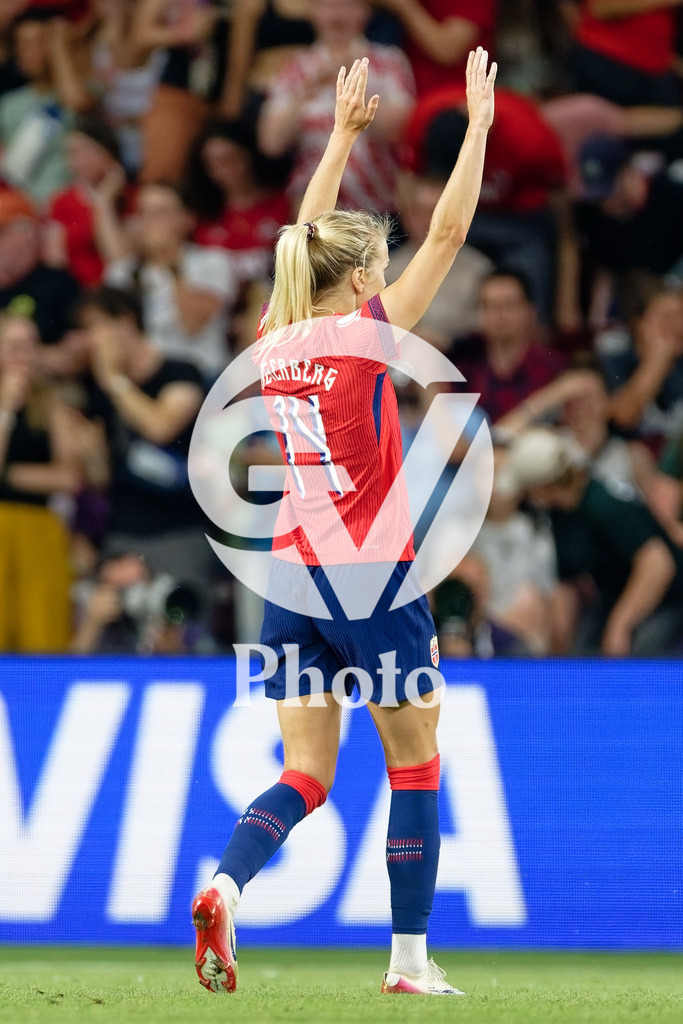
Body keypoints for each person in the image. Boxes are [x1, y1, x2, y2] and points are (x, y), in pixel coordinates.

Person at [191, 49, 496, 996]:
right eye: (377, 257)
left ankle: (225, 883)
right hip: (372, 573)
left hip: (290, 576)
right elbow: (447, 230)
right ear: (362, 270)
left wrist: (342, 137)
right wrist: (476, 126)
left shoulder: (272, 344)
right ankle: (408, 961)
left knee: (306, 775)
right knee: (413, 769)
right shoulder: (366, 336)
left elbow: (299, 241)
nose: (390, 265)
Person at [504, 426, 683, 655]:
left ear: (541, 486)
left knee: (639, 653)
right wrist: (558, 646)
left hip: (667, 599)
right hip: (616, 597)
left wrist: (621, 624)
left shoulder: (605, 505)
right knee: (580, 656)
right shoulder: (560, 513)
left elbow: (658, 565)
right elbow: (568, 584)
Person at [257, 0, 416, 212]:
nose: (336, 16)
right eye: (326, 5)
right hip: (313, 209)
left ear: (366, 12)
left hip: (377, 207)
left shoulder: (390, 61)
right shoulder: (295, 68)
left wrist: (356, 84)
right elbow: (271, 143)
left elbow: (399, 131)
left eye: (348, 5)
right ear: (312, 12)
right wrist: (303, 95)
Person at [0, 313, 80, 651]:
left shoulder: (51, 403)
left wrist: (10, 475)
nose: (26, 356)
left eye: (32, 346)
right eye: (16, 347)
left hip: (39, 531)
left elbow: (69, 477)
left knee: (42, 639)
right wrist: (6, 409)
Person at [105, 181, 237, 380]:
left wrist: (172, 264)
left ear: (187, 218)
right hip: (144, 376)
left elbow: (192, 325)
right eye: (145, 214)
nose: (152, 222)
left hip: (201, 373)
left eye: (161, 213)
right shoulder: (121, 272)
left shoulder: (213, 262)